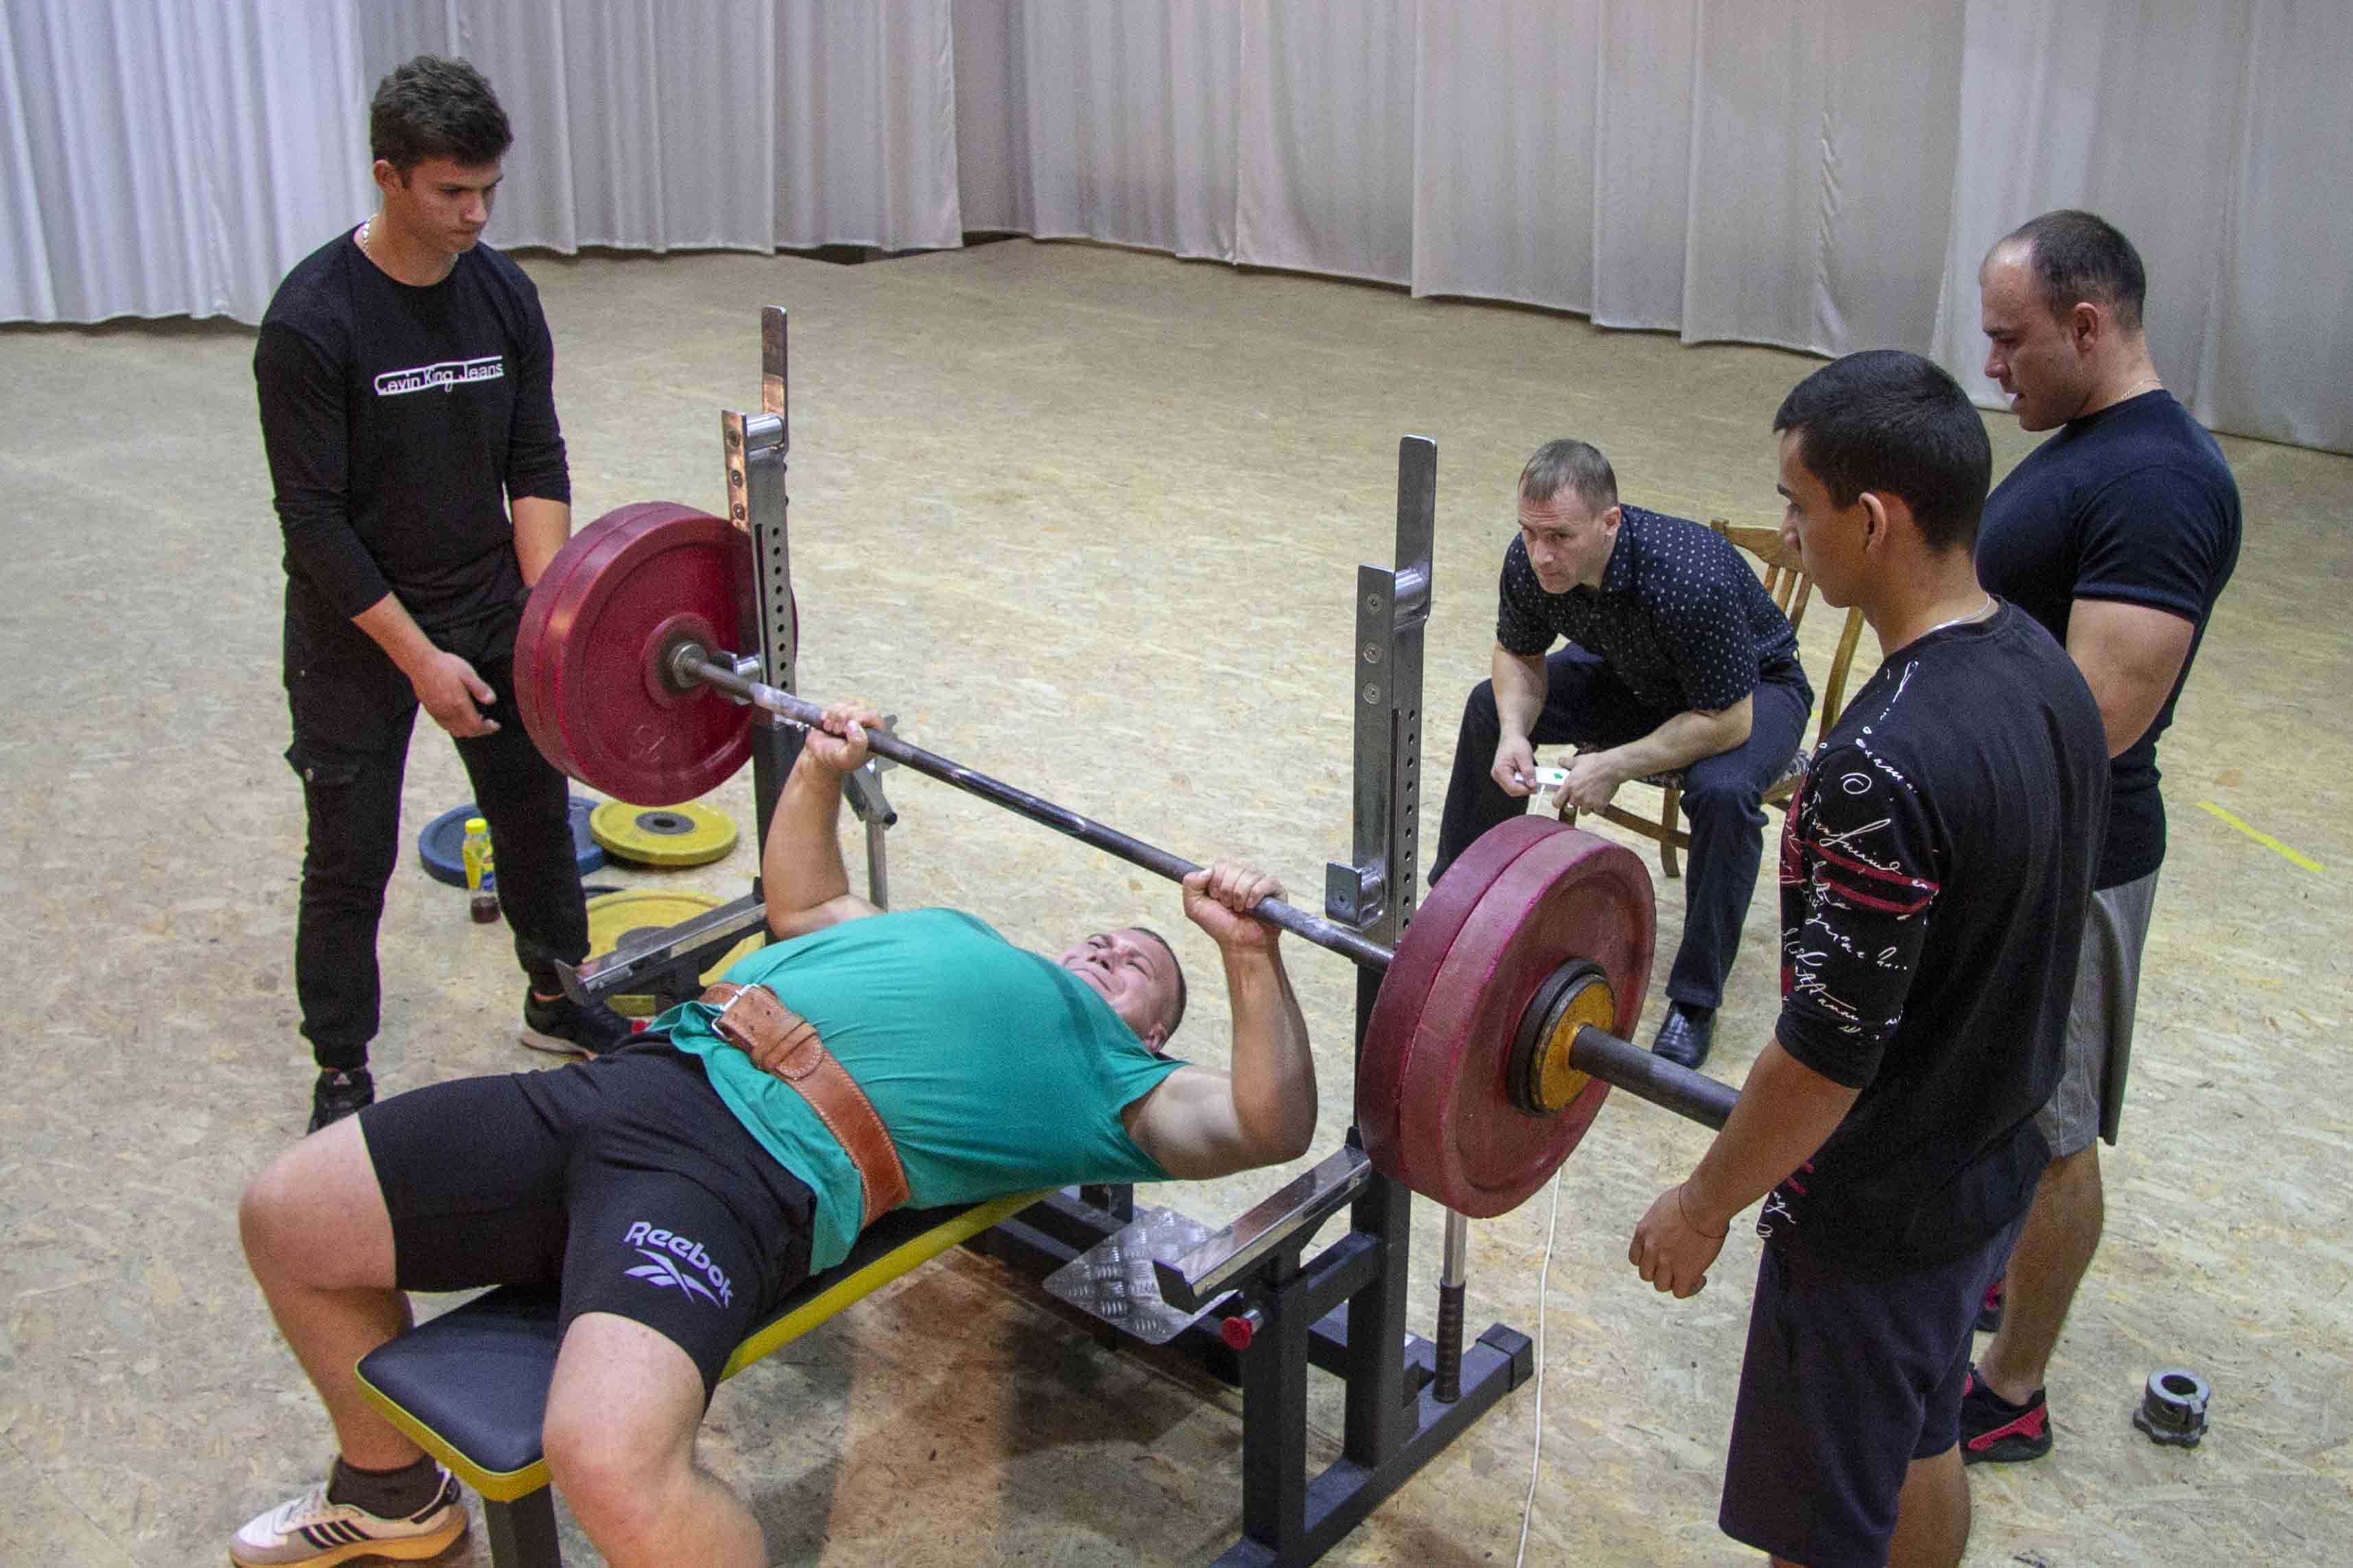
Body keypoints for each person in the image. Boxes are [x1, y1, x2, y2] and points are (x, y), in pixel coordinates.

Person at [228, 702, 1318, 1568]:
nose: (1108, 950)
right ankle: (391, 1491)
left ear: (1154, 1031)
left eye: (1137, 966)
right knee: (289, 1213)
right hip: (629, 1082)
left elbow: (1266, 1122)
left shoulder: (1115, 1079)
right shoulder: (946, 935)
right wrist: (820, 768)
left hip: (740, 1176)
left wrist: (1246, 953)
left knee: (606, 1459)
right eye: (1101, 937)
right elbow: (803, 904)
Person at [1627, 350, 2109, 1568]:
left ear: (1875, 520)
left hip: (1874, 1216)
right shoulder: (2046, 669)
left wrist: (1700, 1203)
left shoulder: (1875, 763)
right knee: (1917, 1435)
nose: (1786, 537)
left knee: (1820, 1523)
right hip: (1987, 1167)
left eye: (1796, 505)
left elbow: (1822, 1056)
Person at [254, 56, 632, 1133]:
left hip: (487, 600)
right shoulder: (312, 321)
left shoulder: (502, 293)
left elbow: (535, 456)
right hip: (355, 625)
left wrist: (545, 618)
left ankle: (555, 993)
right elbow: (312, 524)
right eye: (451, 192)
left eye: (487, 190)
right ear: (388, 177)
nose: (475, 215)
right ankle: (341, 1064)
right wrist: (420, 661)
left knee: (534, 817)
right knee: (349, 854)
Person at [1959, 210, 2242, 1463]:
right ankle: (1996, 1273)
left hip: (2073, 857)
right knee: (2006, 1102)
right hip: (2019, 841)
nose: (1992, 368)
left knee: (2052, 1132)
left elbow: (2099, 718)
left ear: (2085, 325)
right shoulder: (2091, 447)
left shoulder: (2159, 481)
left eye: (2009, 340)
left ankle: (2011, 1389)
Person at [1429, 439, 1813, 1069]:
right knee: (1486, 707)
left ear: (1609, 522)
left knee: (1722, 792)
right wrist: (1514, 731)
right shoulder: (1531, 560)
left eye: (1559, 536)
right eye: (1529, 532)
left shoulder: (1687, 577)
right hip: (1634, 671)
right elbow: (1518, 653)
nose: (1541, 554)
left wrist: (1613, 763)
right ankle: (1457, 905)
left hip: (1750, 691)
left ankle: (1694, 1001)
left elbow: (1727, 720)